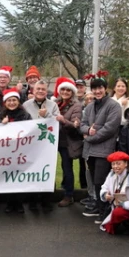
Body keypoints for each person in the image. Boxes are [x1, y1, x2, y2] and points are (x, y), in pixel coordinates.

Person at [80, 77, 122, 224]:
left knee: (101, 181)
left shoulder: (114, 106)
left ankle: (105, 211)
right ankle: (99, 206)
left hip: (104, 150)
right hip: (90, 151)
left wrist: (90, 136)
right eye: (95, 88)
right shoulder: (90, 106)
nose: (97, 91)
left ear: (105, 88)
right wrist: (87, 130)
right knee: (94, 180)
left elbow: (110, 129)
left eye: (100, 88)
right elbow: (82, 124)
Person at [22, 80, 58, 212]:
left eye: (43, 89)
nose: (40, 91)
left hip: (47, 144)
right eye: (38, 89)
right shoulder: (26, 105)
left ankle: (46, 201)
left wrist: (46, 115)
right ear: (33, 90)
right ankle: (32, 201)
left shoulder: (53, 105)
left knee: (47, 170)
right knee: (32, 170)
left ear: (46, 90)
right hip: (31, 144)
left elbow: (57, 121)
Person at [0, 88, 32, 213]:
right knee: (8, 177)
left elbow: (30, 131)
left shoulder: (26, 115)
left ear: (18, 102)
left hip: (20, 152)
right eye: (9, 100)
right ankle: (9, 203)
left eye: (14, 100)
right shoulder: (1, 116)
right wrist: (1, 124)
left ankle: (19, 203)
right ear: (5, 103)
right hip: (5, 153)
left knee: (19, 177)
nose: (12, 103)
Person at [54, 78, 83, 207]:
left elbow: (75, 125)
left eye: (68, 90)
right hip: (53, 140)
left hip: (66, 142)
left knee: (67, 168)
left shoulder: (76, 105)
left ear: (72, 92)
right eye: (63, 89)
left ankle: (68, 195)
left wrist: (63, 120)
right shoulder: (55, 103)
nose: (65, 92)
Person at [79, 92, 97, 207]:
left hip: (98, 145)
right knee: (88, 171)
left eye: (92, 98)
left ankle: (96, 197)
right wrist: (86, 131)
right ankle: (91, 195)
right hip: (87, 145)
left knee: (97, 173)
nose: (90, 100)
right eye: (87, 98)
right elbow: (82, 126)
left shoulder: (99, 111)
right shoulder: (84, 112)